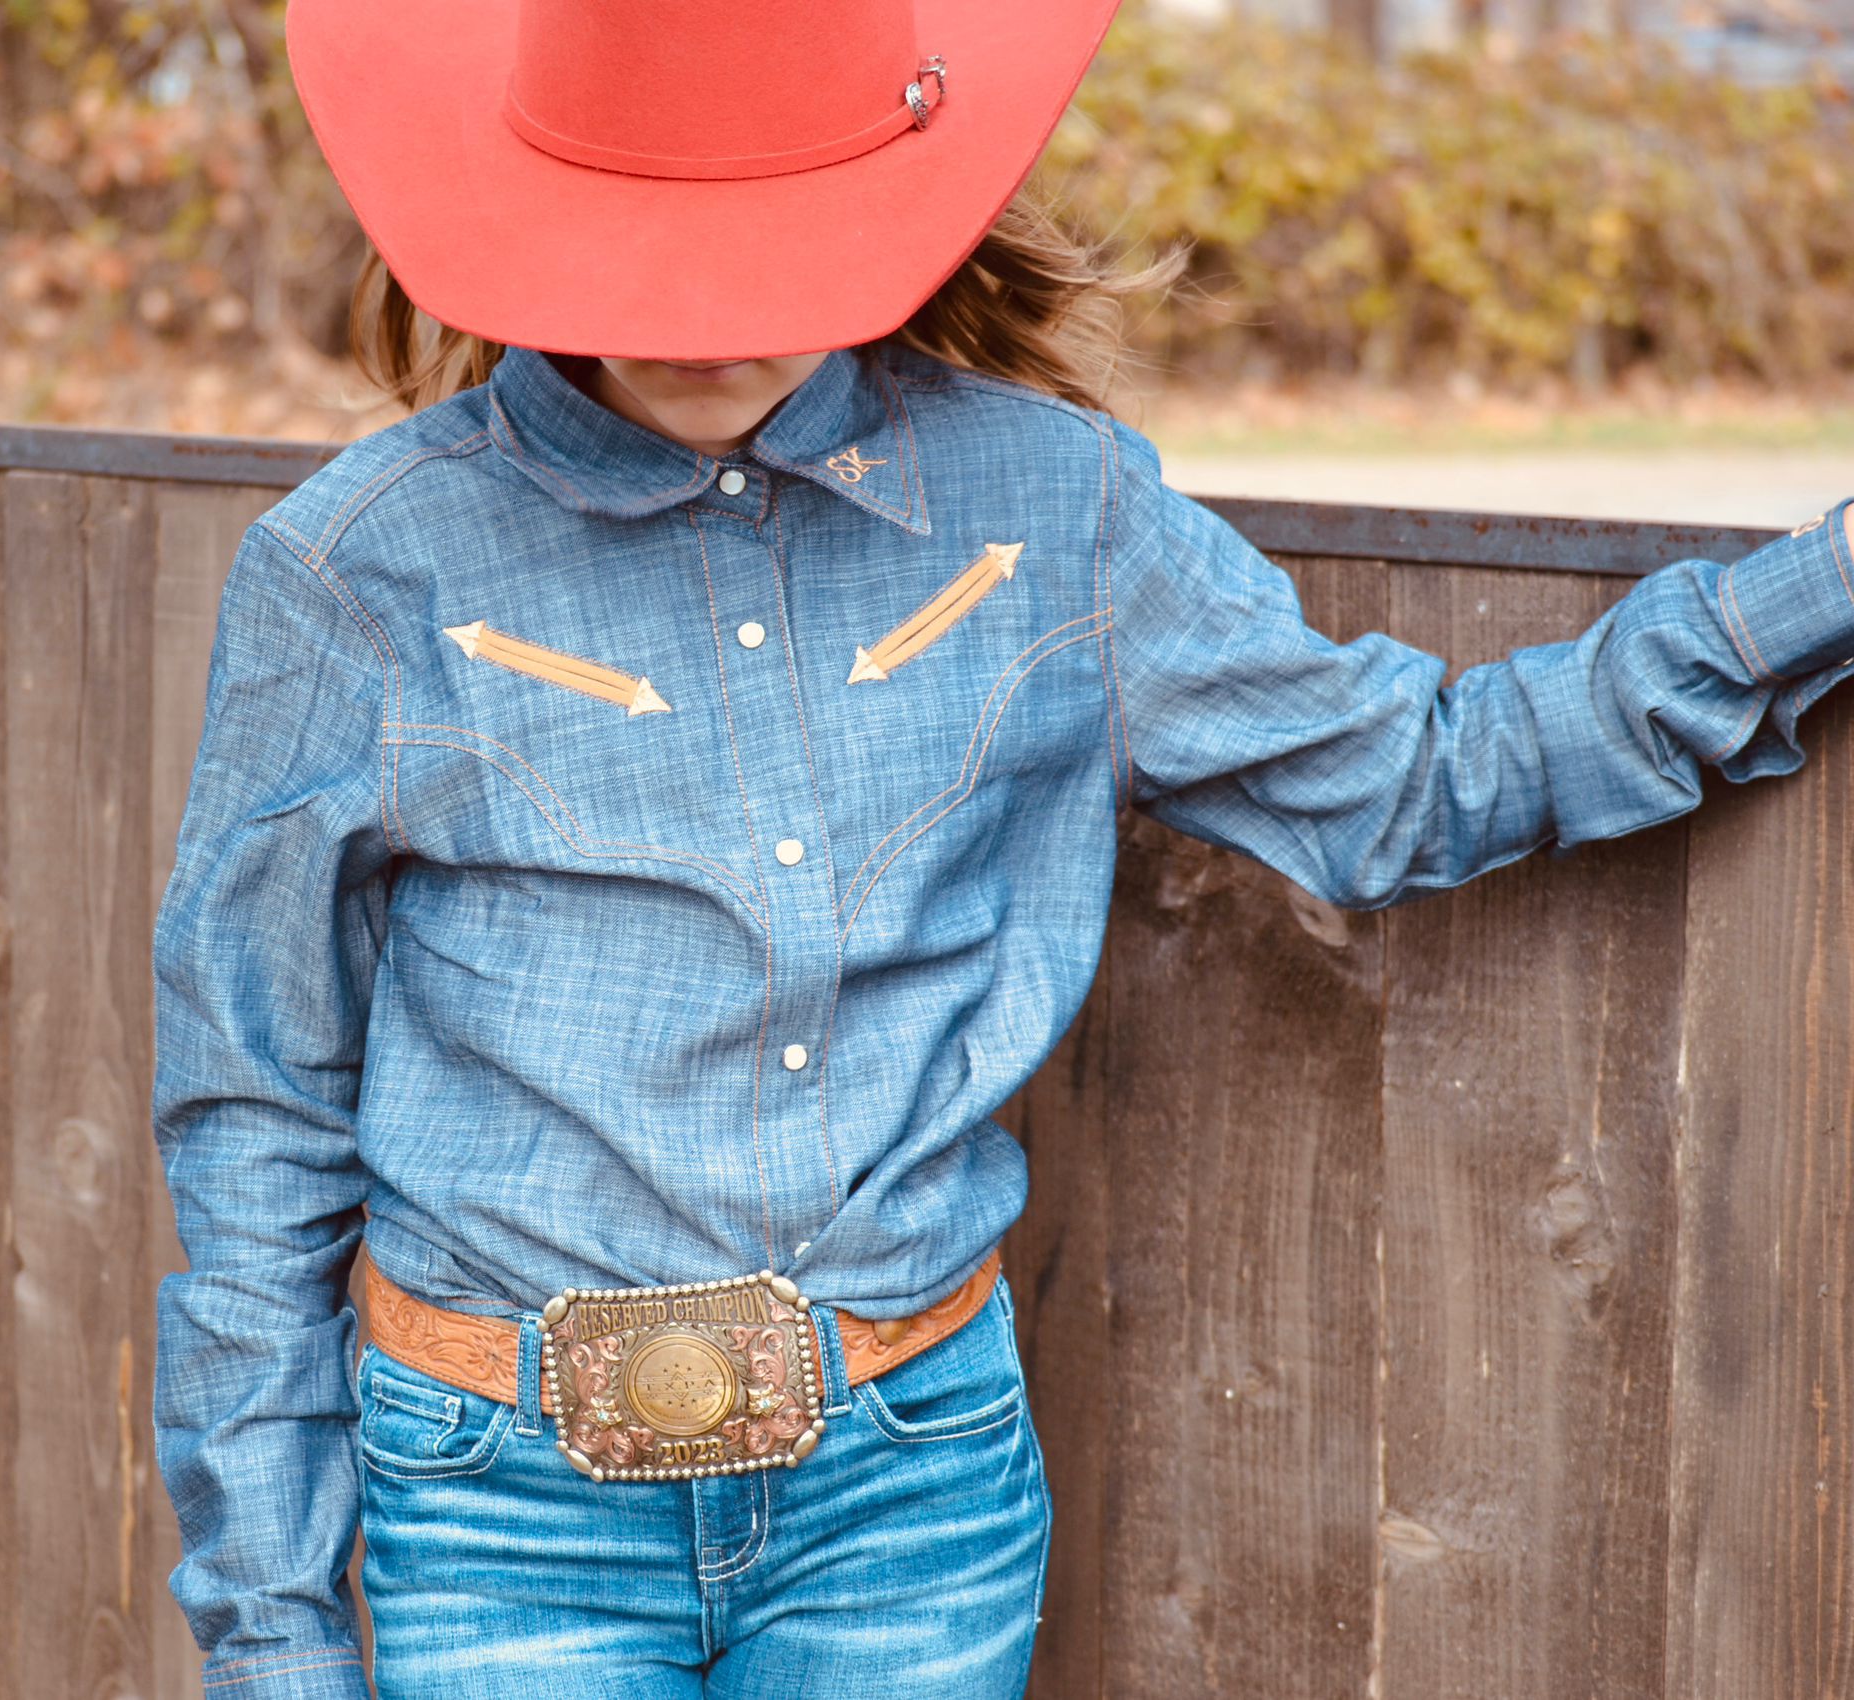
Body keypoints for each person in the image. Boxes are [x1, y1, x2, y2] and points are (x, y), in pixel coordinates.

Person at [146, 2, 1854, 1696]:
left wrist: (1816, 590)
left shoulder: (1061, 511)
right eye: (651, 242)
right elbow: (254, 1110)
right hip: (499, 1501)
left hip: (909, 1487)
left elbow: (1417, 778)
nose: (703, 316)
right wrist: (275, 1631)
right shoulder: (359, 573)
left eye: (764, 245)